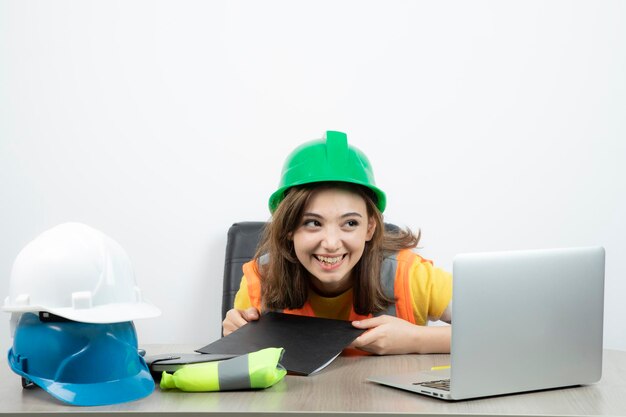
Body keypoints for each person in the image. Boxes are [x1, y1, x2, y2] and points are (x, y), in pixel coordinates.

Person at [222, 131, 452, 355]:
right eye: (312, 223)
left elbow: (487, 330)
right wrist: (235, 337)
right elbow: (236, 367)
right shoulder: (260, 280)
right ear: (289, 228)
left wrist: (416, 339)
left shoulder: (410, 275)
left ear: (370, 227)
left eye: (350, 223)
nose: (331, 244)